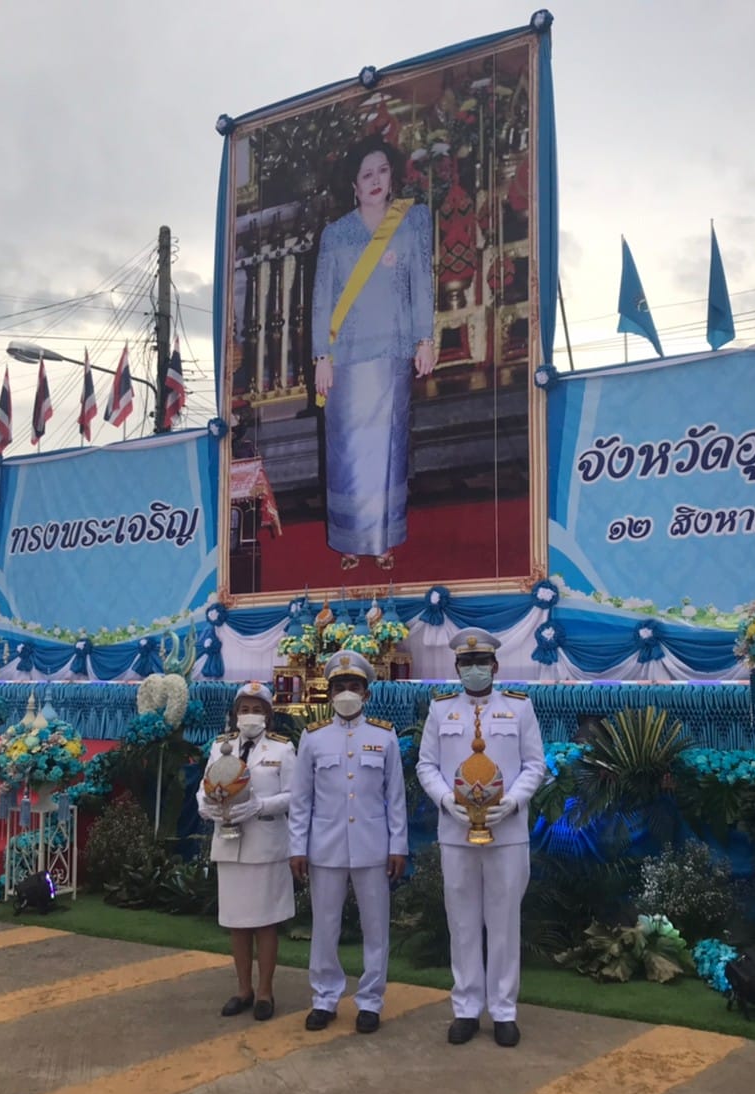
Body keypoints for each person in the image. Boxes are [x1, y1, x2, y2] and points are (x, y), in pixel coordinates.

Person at [311, 134, 436, 572]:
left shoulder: (412, 221)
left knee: (387, 448)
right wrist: (321, 357)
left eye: (382, 171)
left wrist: (425, 339)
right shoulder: (335, 235)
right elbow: (322, 300)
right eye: (367, 174)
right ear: (354, 184)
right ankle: (349, 539)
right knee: (348, 451)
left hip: (392, 354)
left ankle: (383, 541)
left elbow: (422, 282)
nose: (376, 180)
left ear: (392, 175)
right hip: (345, 360)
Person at [417, 628, 545, 1047]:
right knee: (462, 922)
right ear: (457, 668)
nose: (474, 669)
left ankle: (504, 1010)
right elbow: (426, 765)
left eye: (481, 662)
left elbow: (534, 764)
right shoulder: (441, 710)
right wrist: (444, 801)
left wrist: (513, 802)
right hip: (456, 832)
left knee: (504, 922)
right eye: (466, 663)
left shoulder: (519, 707)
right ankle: (467, 1008)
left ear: (495, 665)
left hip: (507, 832)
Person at [288, 650, 407, 1033]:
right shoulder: (313, 737)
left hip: (373, 846)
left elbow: (396, 796)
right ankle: (324, 998)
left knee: (376, 928)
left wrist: (398, 845)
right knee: (325, 927)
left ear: (366, 693)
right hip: (326, 846)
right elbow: (301, 799)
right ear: (329, 692)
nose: (346, 693)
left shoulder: (384, 735)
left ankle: (370, 1001)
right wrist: (297, 847)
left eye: (353, 686)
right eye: (339, 686)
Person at [196, 681, 297, 1020]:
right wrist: (206, 807)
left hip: (264, 844)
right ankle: (243, 989)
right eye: (244, 709)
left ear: (268, 715)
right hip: (229, 844)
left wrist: (260, 806)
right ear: (235, 713)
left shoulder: (282, 749)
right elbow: (206, 786)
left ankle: (265, 991)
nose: (249, 715)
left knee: (265, 923)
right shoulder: (220, 746)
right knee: (237, 922)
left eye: (256, 709)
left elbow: (295, 795)